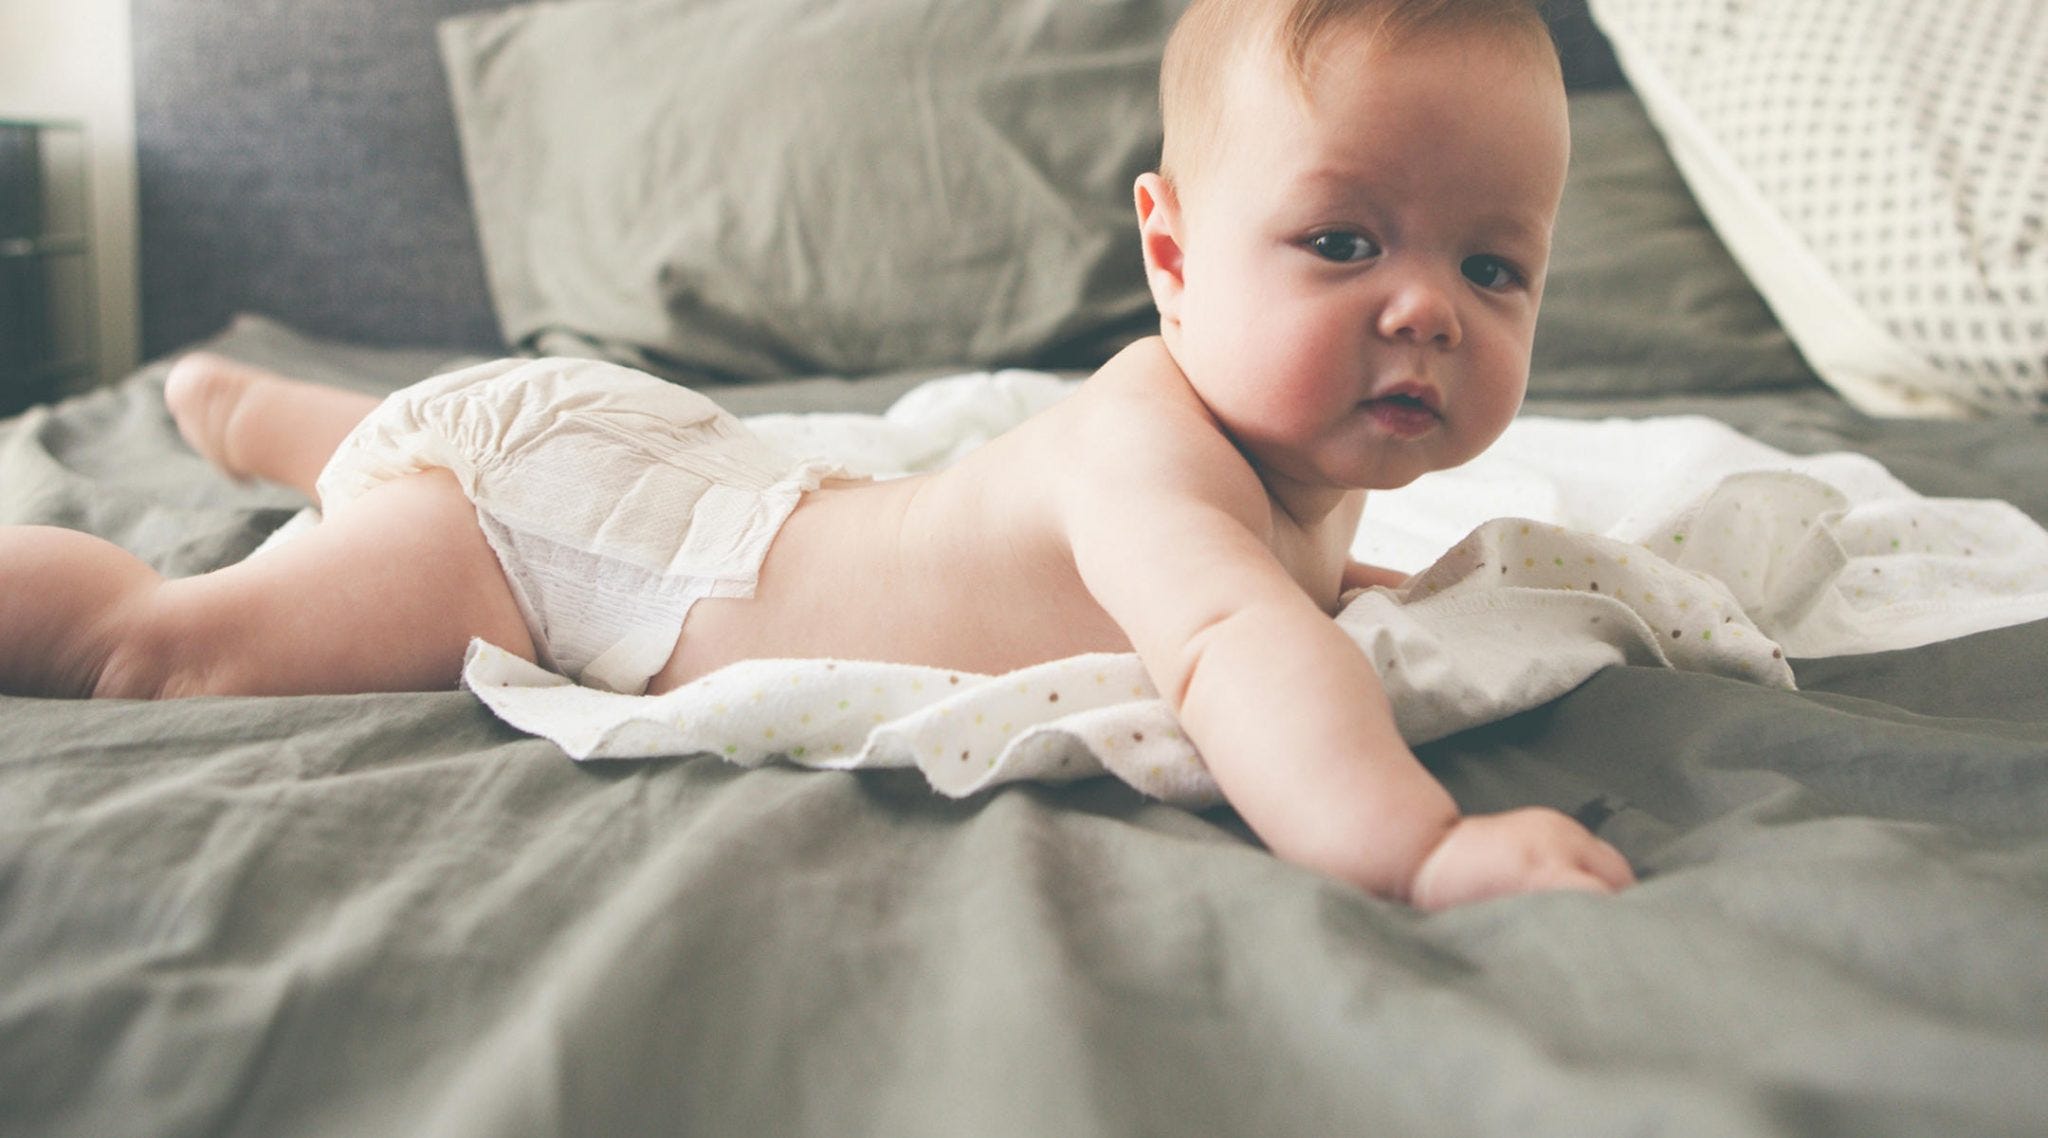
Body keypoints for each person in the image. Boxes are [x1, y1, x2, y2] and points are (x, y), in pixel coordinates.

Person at [0, 0, 1633, 909]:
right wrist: (1420, 845)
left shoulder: (1300, 473)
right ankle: (293, 453)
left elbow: (1322, 592)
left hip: (688, 471)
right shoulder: (1155, 458)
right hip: (565, 547)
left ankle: (279, 422)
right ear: (1176, 254)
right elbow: (1240, 650)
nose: (1426, 309)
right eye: (1345, 239)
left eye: (1494, 268)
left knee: (415, 465)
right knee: (167, 655)